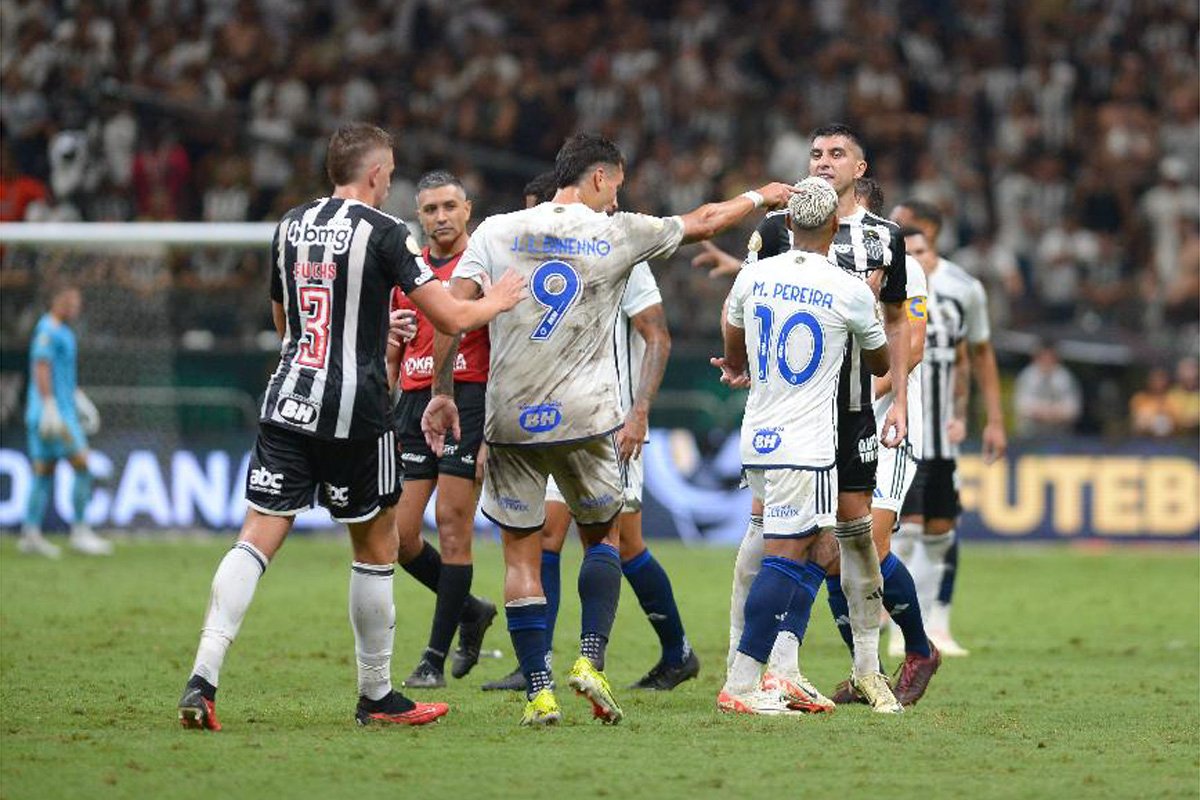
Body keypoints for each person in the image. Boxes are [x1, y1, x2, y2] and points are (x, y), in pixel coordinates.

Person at [422, 133, 796, 726]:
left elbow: (450, 311)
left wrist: (442, 391)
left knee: (521, 555)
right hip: (587, 418)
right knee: (603, 540)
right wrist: (759, 195)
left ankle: (538, 691)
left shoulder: (494, 231)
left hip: (510, 420)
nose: (616, 199)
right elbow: (702, 221)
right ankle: (590, 660)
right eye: (615, 187)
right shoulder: (614, 233)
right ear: (598, 179)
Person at [176, 122, 526, 731]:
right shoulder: (388, 232)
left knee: (256, 536)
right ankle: (377, 696)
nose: (391, 180)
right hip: (358, 413)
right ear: (374, 173)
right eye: (390, 171)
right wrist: (496, 299)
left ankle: (202, 679)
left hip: (288, 398)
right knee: (375, 545)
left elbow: (284, 319)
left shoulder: (287, 226)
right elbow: (447, 314)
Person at [483, 172, 699, 693]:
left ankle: (673, 653)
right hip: (554, 419)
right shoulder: (522, 248)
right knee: (554, 536)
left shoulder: (614, 254)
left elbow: (657, 336)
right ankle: (541, 663)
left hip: (607, 422)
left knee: (620, 544)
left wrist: (639, 412)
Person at [725, 124, 913, 712]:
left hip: (855, 408)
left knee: (851, 539)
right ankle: (766, 666)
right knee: (776, 536)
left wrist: (899, 398)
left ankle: (865, 668)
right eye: (816, 153)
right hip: (798, 412)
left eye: (837, 154)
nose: (824, 161)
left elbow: (900, 320)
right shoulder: (775, 231)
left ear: (861, 168)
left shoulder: (886, 238)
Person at [387, 171, 498, 689]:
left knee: (452, 525)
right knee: (400, 537)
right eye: (430, 209)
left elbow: (506, 351)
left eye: (449, 206)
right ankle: (471, 610)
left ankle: (432, 657)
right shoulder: (407, 271)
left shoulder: (484, 266)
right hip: (412, 405)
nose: (440, 217)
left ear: (468, 209)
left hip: (466, 401)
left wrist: (490, 433)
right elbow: (393, 343)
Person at [891, 198, 1009, 657]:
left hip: (942, 432)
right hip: (901, 428)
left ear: (931, 232)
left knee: (940, 531)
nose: (898, 232)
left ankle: (936, 623)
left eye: (908, 227)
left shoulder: (964, 287)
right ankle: (903, 628)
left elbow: (973, 355)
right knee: (908, 530)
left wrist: (986, 418)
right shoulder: (886, 278)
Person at [21, 284, 112, 558]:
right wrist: (49, 403)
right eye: (71, 302)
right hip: (54, 413)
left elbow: (63, 374)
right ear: (57, 300)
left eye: (78, 302)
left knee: (43, 472)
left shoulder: (62, 331)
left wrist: (79, 399)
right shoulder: (48, 330)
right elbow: (41, 367)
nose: (76, 307)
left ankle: (31, 533)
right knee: (82, 465)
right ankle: (80, 531)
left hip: (53, 409)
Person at [1013, 342, 1081, 437]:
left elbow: (1073, 409)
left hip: (1059, 435)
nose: (1047, 361)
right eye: (1043, 357)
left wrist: (1052, 414)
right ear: (1036, 358)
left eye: (1050, 358)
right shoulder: (1027, 376)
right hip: (1030, 434)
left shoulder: (1065, 377)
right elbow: (1021, 406)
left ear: (1056, 359)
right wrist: (1044, 413)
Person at [1129, 366, 1180, 438]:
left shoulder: (1173, 399)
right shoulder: (1139, 399)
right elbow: (1135, 424)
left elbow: (1178, 423)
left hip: (1169, 441)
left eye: (1161, 379)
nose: (1158, 383)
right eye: (1155, 379)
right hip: (1144, 440)